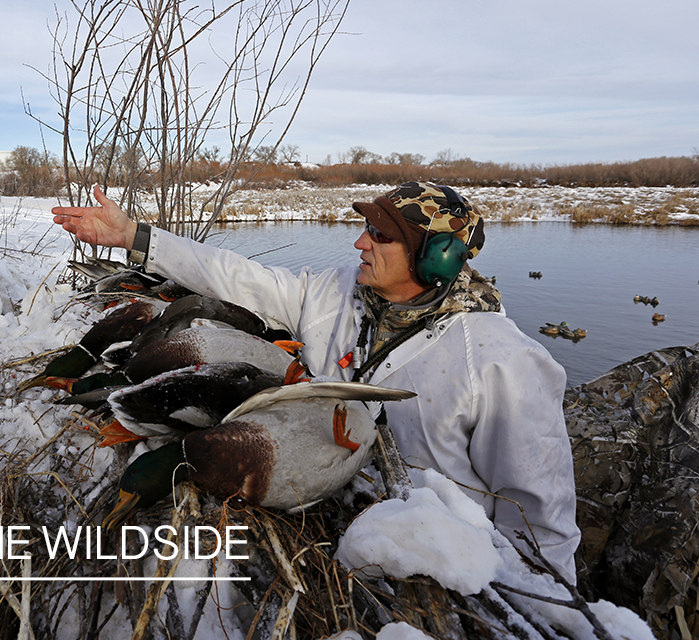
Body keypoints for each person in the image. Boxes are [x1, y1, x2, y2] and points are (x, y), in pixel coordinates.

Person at [53, 181, 580, 582]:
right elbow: (238, 277)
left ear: (434, 255)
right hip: (322, 525)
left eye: (380, 235)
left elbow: (542, 523)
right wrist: (133, 237)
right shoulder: (337, 296)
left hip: (425, 567)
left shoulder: (500, 360)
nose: (360, 242)